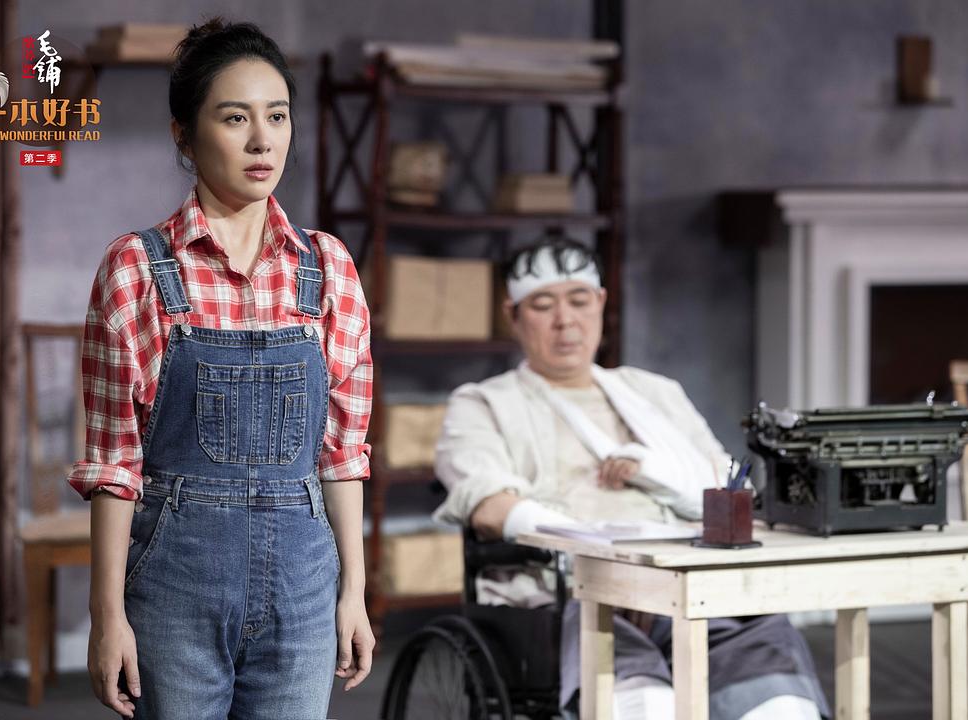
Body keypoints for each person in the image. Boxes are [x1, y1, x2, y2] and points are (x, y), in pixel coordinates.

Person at [67, 19, 374, 719]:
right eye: (235, 118)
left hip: (303, 589)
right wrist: (106, 615)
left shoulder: (327, 267)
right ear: (184, 135)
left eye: (277, 116)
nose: (263, 140)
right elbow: (114, 462)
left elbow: (343, 453)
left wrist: (353, 592)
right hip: (176, 588)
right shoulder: (137, 268)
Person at [433, 237, 830, 720]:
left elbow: (731, 489)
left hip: (685, 581)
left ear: (601, 303)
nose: (565, 321)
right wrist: (605, 561)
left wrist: (658, 475)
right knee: (638, 692)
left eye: (579, 301)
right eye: (542, 305)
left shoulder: (655, 393)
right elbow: (489, 505)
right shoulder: (483, 403)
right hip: (573, 591)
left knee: (769, 663)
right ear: (512, 315)